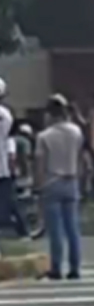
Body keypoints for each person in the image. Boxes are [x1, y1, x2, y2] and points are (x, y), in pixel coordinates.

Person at [35, 94, 84, 280]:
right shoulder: (76, 132)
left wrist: (38, 186)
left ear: (50, 114)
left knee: (55, 230)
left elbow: (40, 163)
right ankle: (75, 268)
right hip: (71, 181)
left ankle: (56, 267)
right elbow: (80, 157)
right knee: (73, 228)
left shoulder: (44, 136)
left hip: (52, 182)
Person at [0, 78, 28, 239]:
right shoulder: (7, 114)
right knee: (9, 200)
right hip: (3, 165)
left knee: (9, 201)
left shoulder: (4, 114)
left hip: (2, 166)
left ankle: (21, 229)